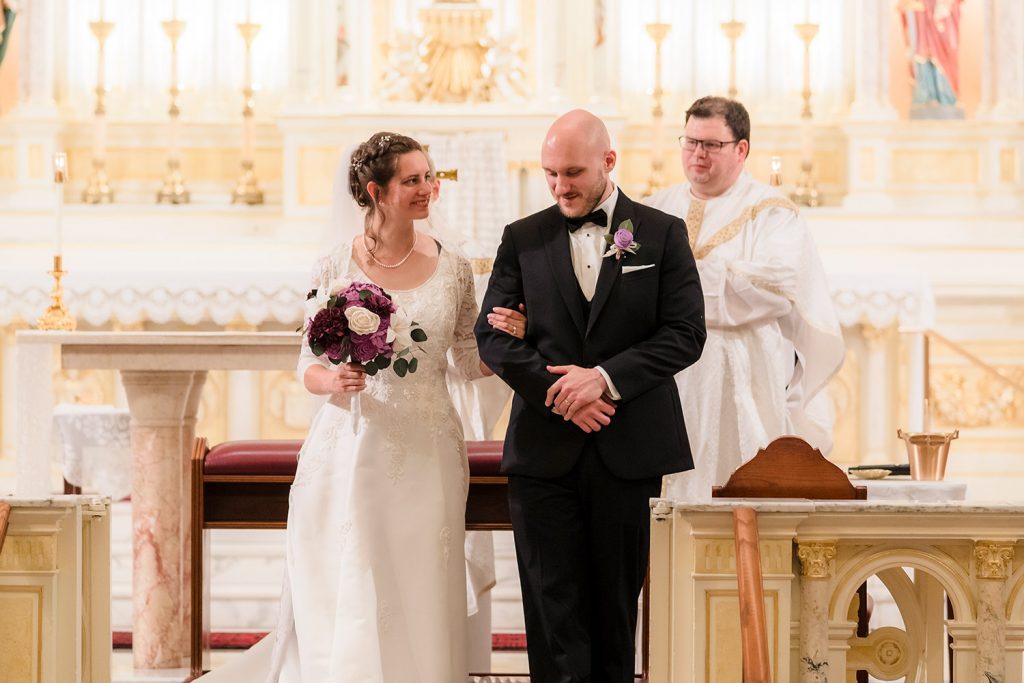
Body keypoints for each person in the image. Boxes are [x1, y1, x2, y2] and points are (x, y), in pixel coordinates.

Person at [198, 131, 526, 682]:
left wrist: (516, 337)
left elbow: (468, 363)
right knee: (354, 572)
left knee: (421, 573)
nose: (429, 189)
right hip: (351, 443)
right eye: (413, 180)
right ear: (376, 191)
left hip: (428, 445)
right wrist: (333, 379)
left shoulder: (453, 268)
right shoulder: (334, 265)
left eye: (430, 177)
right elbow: (307, 361)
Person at [475, 110, 706, 683]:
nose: (560, 186)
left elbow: (685, 334)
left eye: (573, 172)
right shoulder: (522, 238)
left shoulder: (662, 232)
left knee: (615, 609)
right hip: (543, 454)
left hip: (627, 448)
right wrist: (564, 391)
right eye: (550, 173)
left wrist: (601, 379)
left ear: (609, 161)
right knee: (552, 610)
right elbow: (492, 338)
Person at [644, 96, 845, 501]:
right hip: (664, 371)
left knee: (738, 482)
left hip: (739, 368)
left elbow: (775, 285)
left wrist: (677, 285)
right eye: (690, 142)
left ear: (741, 149)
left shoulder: (772, 212)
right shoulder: (656, 207)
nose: (697, 154)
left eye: (711, 145)